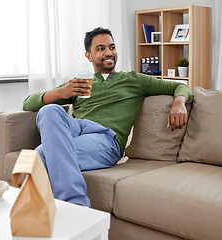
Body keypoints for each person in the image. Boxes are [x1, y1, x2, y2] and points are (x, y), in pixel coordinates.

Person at [22, 27, 192, 207]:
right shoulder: (79, 83)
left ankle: (74, 204)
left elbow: (179, 86)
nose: (109, 52)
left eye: (112, 47)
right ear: (88, 55)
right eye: (101, 48)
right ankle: (66, 207)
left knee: (40, 155)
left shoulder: (133, 79)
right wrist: (60, 92)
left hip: (106, 138)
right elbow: (28, 104)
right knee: (48, 111)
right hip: (76, 130)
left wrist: (179, 102)